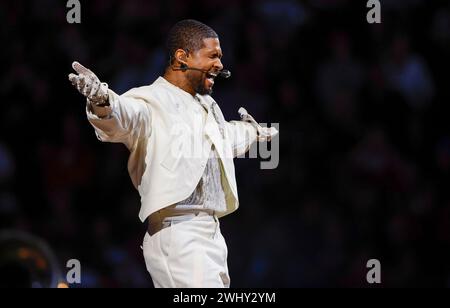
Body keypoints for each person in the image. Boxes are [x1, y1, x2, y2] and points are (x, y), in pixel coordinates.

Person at [68, 19, 278, 288]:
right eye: (213, 56)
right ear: (182, 57)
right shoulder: (150, 100)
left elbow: (224, 137)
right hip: (179, 233)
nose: (220, 65)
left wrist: (254, 133)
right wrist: (101, 99)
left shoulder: (207, 105)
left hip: (211, 234)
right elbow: (123, 116)